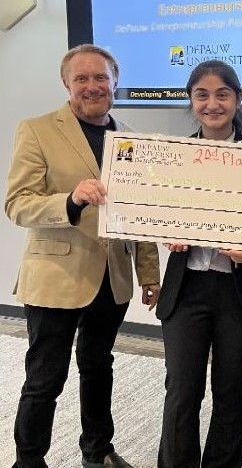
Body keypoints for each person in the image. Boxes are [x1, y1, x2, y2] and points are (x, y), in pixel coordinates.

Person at [4, 44, 161, 468]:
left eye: (100, 78)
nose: (92, 87)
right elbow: (17, 204)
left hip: (112, 278)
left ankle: (98, 450)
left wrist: (149, 272)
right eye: (81, 79)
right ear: (66, 84)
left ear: (115, 81)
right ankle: (28, 461)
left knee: (98, 368)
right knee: (44, 379)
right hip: (55, 276)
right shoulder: (37, 130)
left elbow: (139, 212)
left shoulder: (129, 137)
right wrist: (70, 201)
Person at [156, 60, 242, 468]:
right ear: (191, 102)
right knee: (181, 392)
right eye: (202, 95)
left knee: (230, 392)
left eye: (222, 94)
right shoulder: (172, 159)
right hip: (187, 289)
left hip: (239, 292)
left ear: (238, 100)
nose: (212, 103)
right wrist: (166, 229)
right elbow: (153, 214)